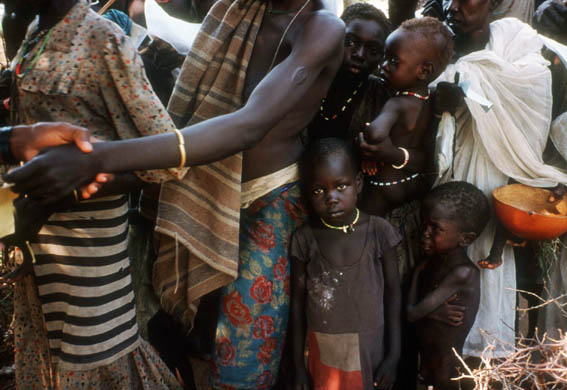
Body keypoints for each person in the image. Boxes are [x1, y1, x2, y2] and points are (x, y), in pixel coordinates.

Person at [5, 0, 345, 387]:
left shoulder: (322, 29)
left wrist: (95, 159)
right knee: (182, 337)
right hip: (197, 192)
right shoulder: (233, 11)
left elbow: (249, 125)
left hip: (266, 201)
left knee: (244, 356)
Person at [2, 0, 193, 388]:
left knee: (93, 356)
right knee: (48, 355)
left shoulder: (103, 40)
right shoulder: (36, 29)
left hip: (89, 255)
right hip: (36, 241)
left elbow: (166, 160)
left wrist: (69, 194)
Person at [432, 0, 567, 359]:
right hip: (451, 175)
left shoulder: (517, 40)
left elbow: (529, 99)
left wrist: (472, 94)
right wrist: (439, 103)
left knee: (490, 260)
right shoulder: (437, 42)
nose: (454, 6)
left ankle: (489, 354)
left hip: (505, 171)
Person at [290, 137, 401, 390]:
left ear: (358, 183)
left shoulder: (379, 232)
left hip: (371, 349)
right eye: (319, 190)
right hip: (323, 351)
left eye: (341, 186)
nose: (331, 197)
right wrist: (297, 365)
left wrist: (394, 356)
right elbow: (296, 305)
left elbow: (394, 295)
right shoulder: (305, 239)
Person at [360, 16, 453, 218]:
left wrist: (365, 136)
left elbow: (375, 134)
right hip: (410, 183)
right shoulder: (431, 99)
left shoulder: (396, 104)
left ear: (424, 70)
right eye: (385, 57)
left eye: (394, 61)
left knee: (361, 228)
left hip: (383, 186)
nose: (384, 65)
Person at [407, 181, 488, 390]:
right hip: (428, 365)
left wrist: (417, 273)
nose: (425, 232)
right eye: (424, 224)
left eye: (436, 228)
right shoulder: (435, 262)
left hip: (447, 372)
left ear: (465, 238)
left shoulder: (462, 273)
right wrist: (433, 312)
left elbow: (411, 313)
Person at [306, 3, 391, 143]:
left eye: (373, 50)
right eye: (350, 42)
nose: (359, 55)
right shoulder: (308, 77)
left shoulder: (380, 94)